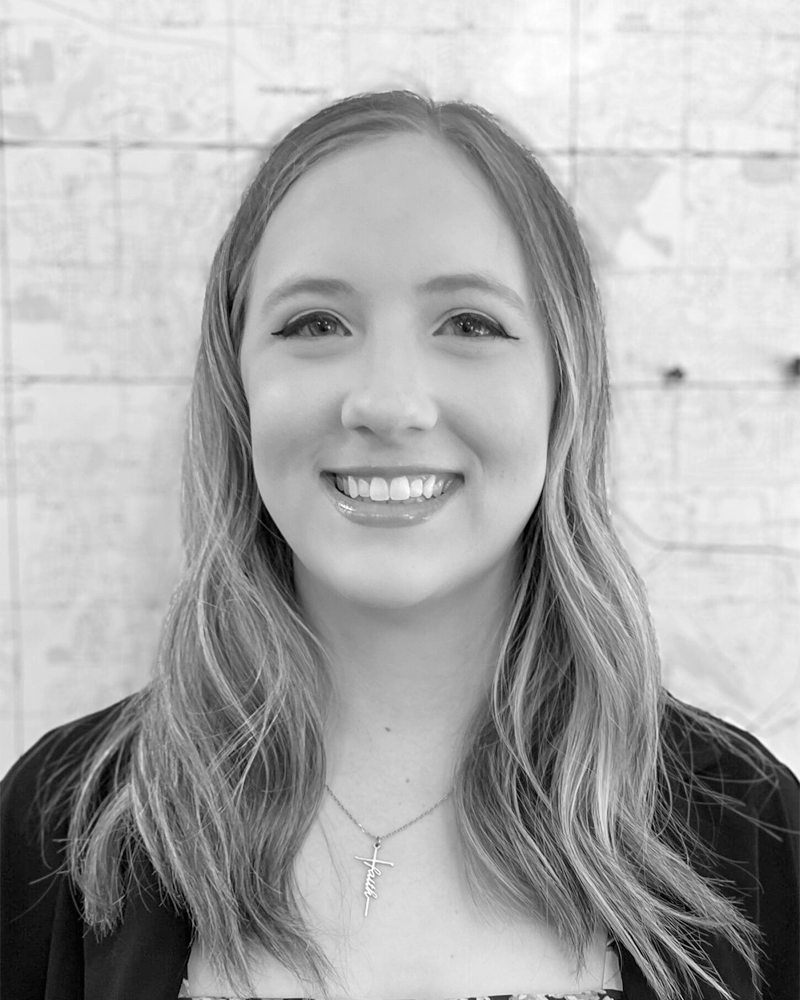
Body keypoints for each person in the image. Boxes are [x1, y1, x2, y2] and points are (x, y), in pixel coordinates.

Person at [1, 88, 799, 1000]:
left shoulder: (753, 830)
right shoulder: (59, 826)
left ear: (563, 389)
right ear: (237, 386)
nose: (386, 402)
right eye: (315, 324)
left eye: (469, 324)